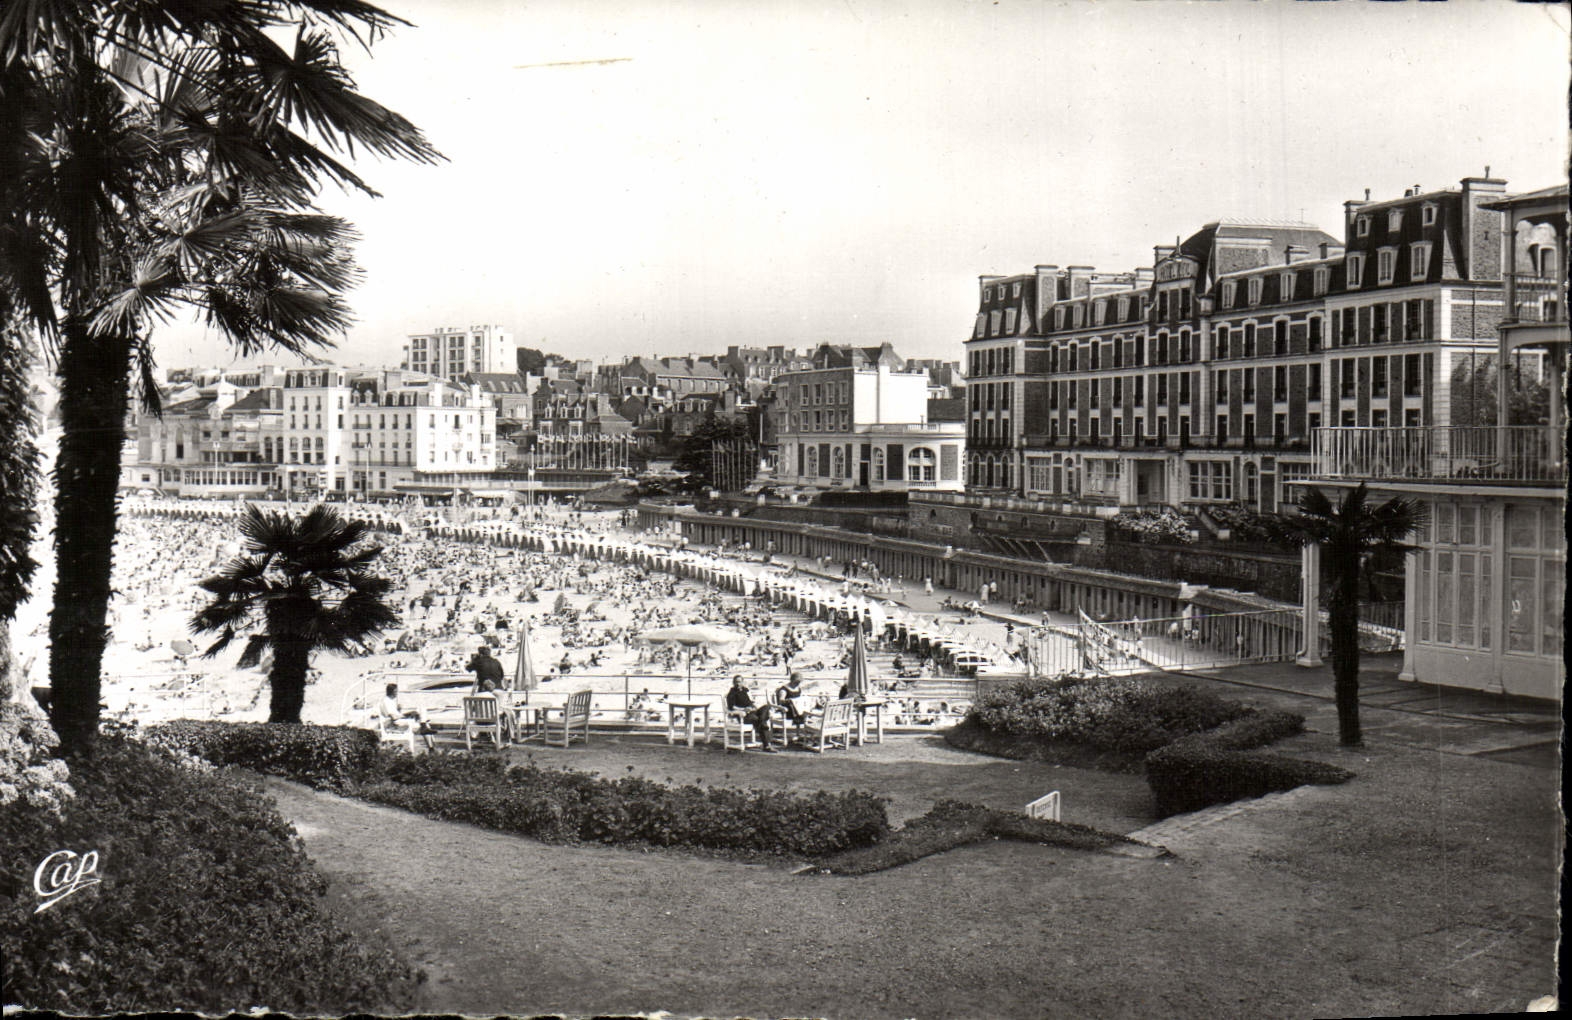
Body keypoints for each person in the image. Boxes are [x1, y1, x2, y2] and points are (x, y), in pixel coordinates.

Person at [725, 675, 776, 751]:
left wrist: (753, 706)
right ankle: (767, 745)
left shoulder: (746, 691)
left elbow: (751, 702)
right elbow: (732, 707)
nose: (738, 684)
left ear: (743, 682)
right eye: (736, 682)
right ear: (733, 683)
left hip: (752, 712)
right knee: (760, 721)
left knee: (766, 707)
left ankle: (761, 720)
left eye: (739, 682)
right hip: (744, 715)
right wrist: (744, 709)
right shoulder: (732, 693)